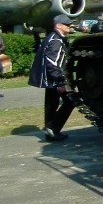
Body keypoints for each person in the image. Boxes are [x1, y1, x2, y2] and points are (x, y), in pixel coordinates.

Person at [29, 14, 77, 142]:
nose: (70, 26)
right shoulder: (56, 40)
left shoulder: (54, 37)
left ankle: (51, 133)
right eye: (67, 24)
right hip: (54, 78)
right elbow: (52, 62)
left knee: (51, 104)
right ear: (58, 26)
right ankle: (52, 127)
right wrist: (60, 80)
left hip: (50, 78)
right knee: (71, 101)